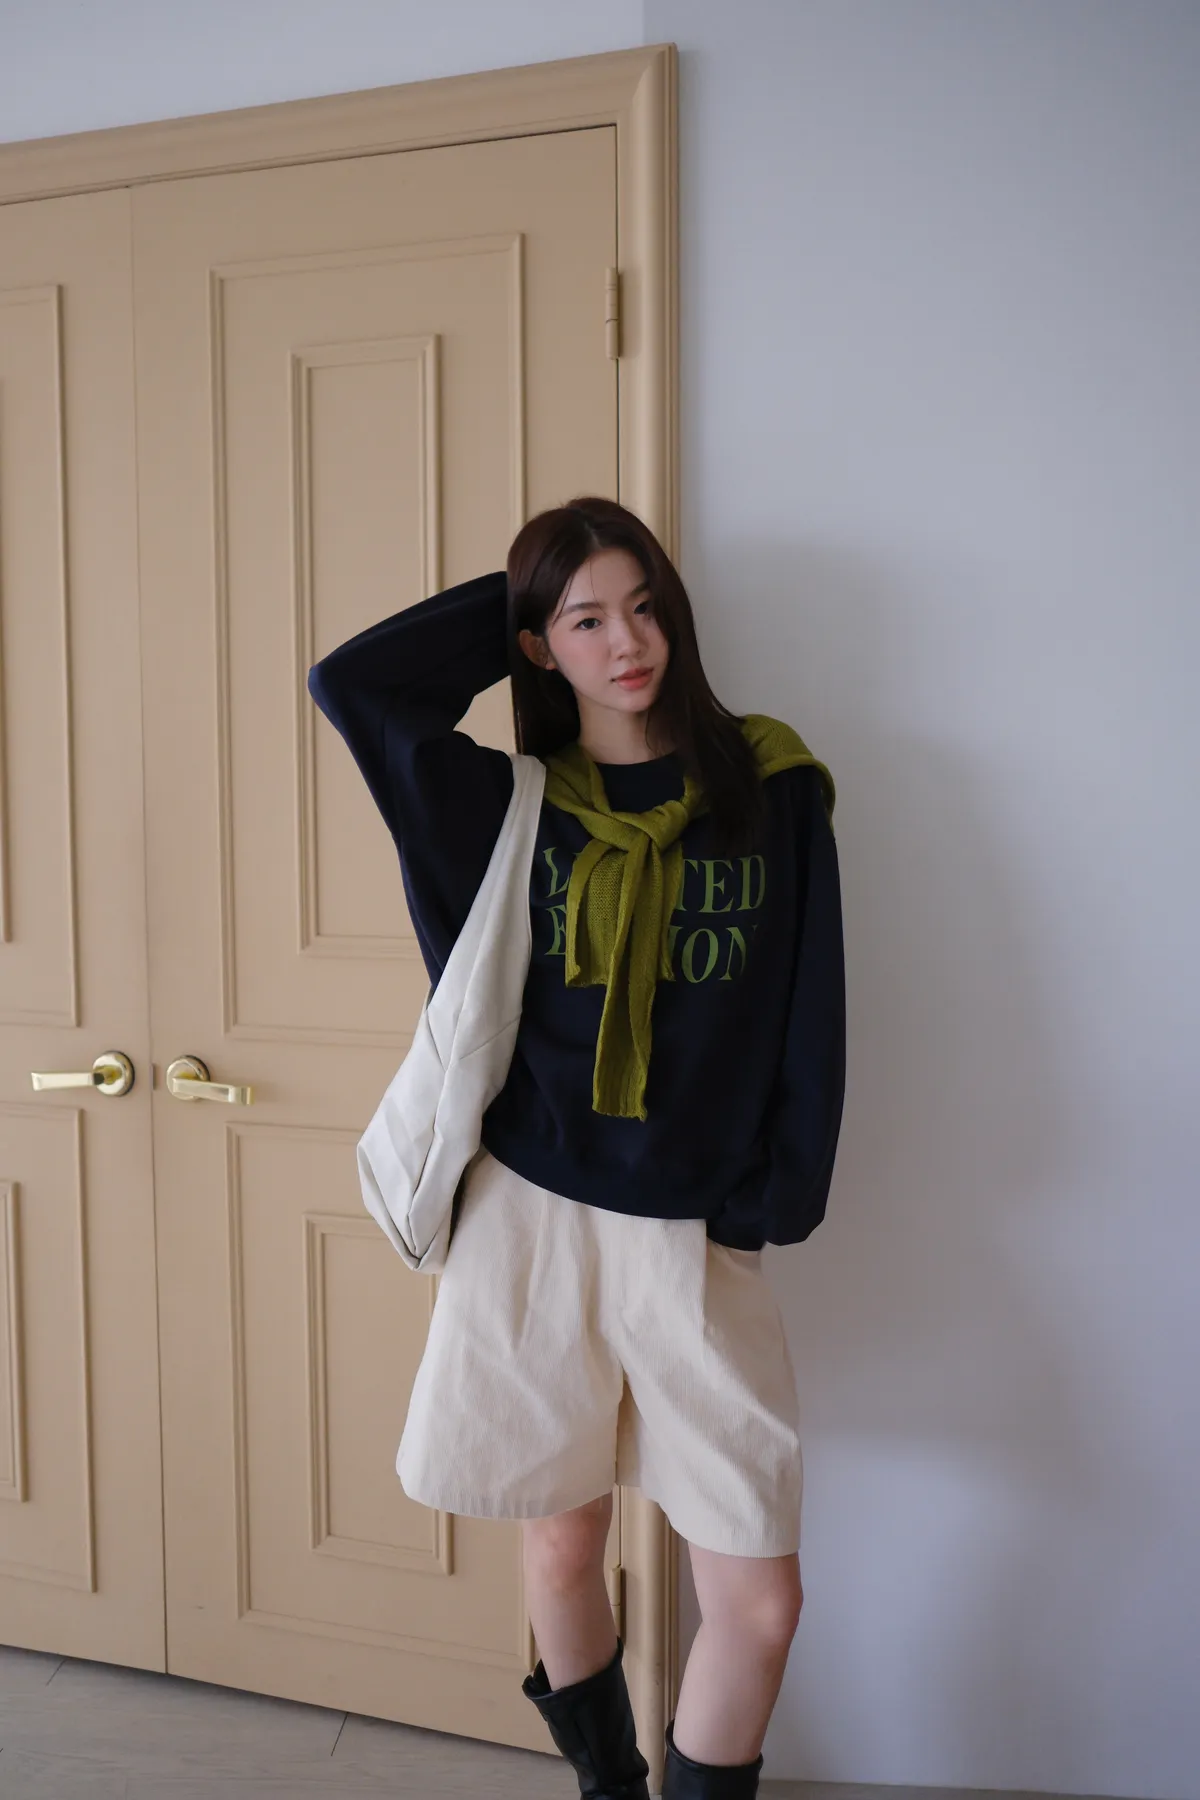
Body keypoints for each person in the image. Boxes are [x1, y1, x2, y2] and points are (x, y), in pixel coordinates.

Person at [307, 496, 846, 1800]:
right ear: (539, 647)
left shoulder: (770, 786)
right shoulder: (507, 808)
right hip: (530, 1224)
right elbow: (356, 687)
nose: (629, 642)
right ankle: (609, 1788)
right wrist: (520, 601)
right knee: (561, 1545)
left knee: (761, 1599)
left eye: (645, 606)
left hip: (697, 1230)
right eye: (588, 620)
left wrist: (772, 1197)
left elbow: (811, 1003)